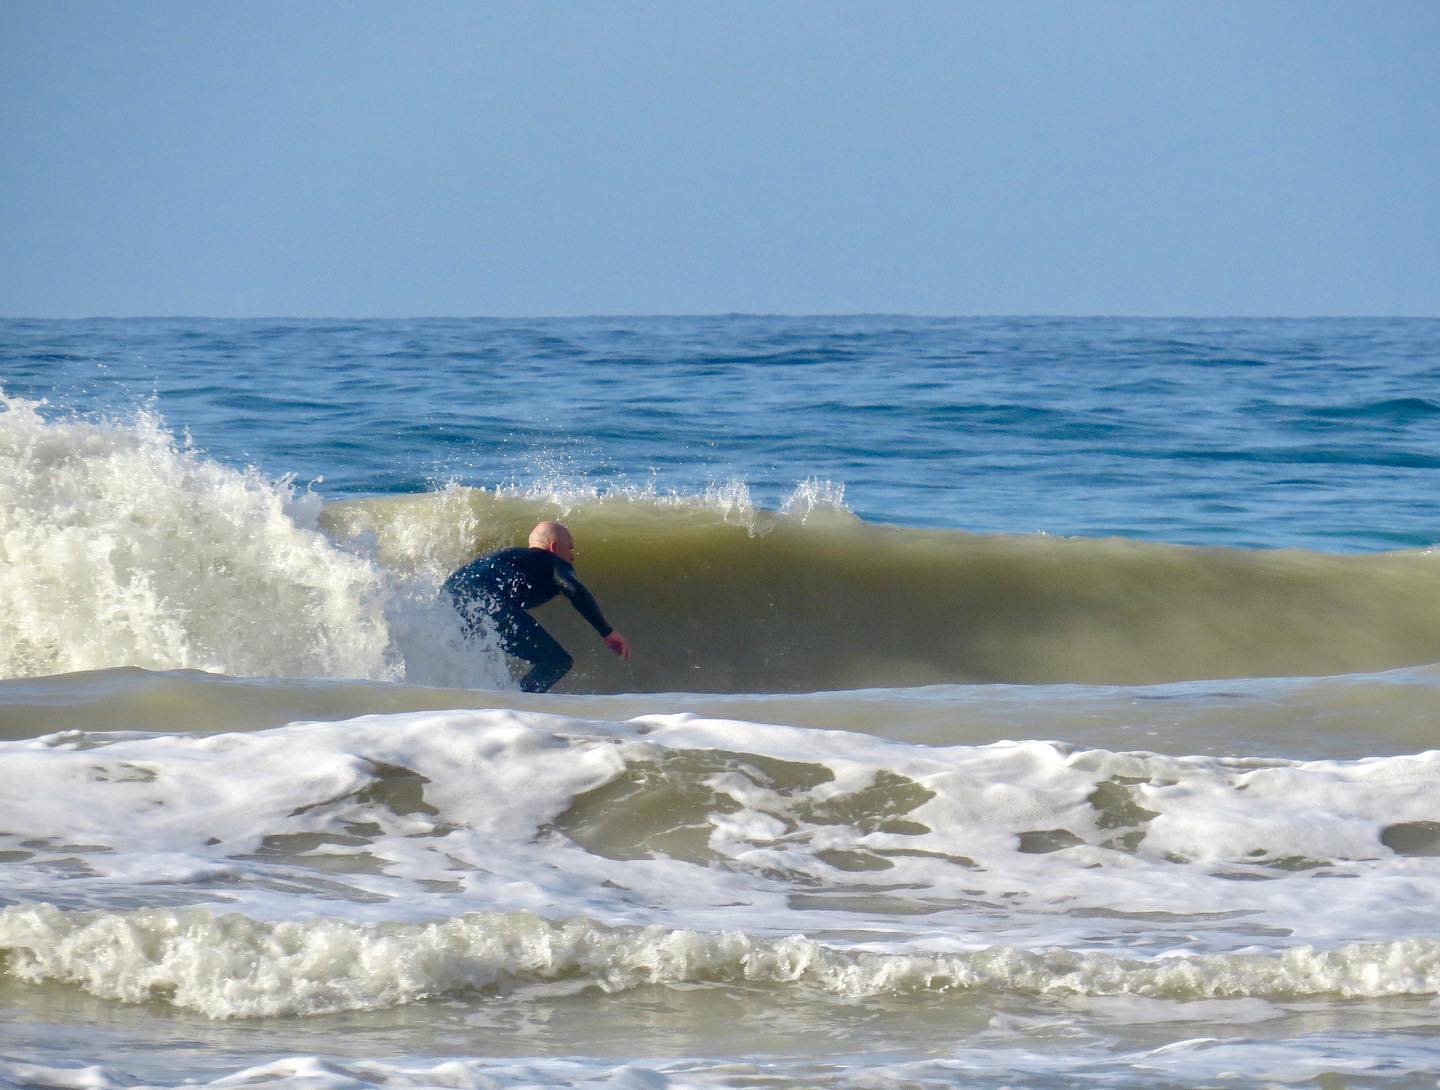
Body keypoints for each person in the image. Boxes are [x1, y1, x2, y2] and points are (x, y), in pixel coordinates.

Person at [444, 521, 631, 693]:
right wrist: (606, 631)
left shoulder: (514, 558)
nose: (572, 557)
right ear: (554, 547)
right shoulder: (553, 561)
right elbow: (573, 589)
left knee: (478, 655)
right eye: (570, 548)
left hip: (451, 596)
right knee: (557, 662)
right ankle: (516, 706)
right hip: (485, 596)